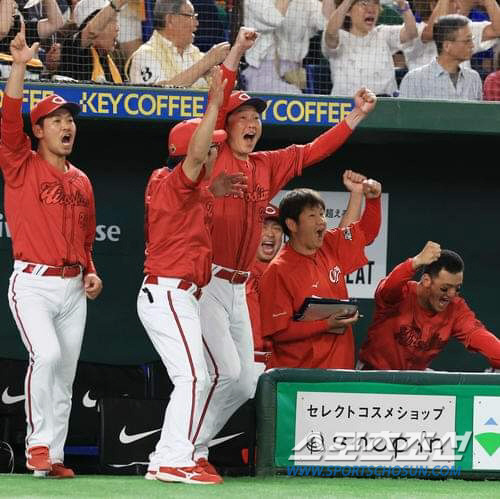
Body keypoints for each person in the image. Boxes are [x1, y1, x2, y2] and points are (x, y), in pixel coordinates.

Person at [189, 84, 378, 475]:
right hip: (206, 279)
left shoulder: (265, 165)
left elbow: (313, 151)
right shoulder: (212, 157)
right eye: (243, 117)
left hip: (236, 284)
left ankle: (192, 447)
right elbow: (190, 168)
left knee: (239, 382)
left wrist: (355, 115)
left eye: (257, 119)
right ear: (225, 126)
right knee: (206, 375)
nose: (252, 124)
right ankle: (185, 451)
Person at [142, 25, 258, 482]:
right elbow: (197, 156)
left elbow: (201, 189)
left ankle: (167, 458)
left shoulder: (191, 189)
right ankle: (173, 458)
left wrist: (216, 186)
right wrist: (222, 77)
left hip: (181, 294)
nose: (215, 154)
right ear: (190, 153)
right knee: (195, 377)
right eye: (209, 150)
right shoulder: (176, 180)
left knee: (211, 376)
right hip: (168, 292)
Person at [0, 24, 102, 477]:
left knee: (64, 375)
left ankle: (52, 458)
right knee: (47, 356)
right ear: (38, 129)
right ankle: (37, 445)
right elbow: (8, 122)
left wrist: (92, 270)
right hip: (34, 285)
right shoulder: (21, 163)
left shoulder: (81, 180)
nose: (67, 126)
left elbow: (85, 237)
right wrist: (19, 68)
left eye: (71, 120)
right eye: (57, 120)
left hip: (73, 287)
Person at [258, 177, 381, 369]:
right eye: (312, 216)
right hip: (299, 379)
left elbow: (367, 233)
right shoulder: (278, 270)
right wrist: (326, 324)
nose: (321, 222)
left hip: (340, 371)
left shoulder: (330, 244)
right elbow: (279, 333)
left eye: (322, 214)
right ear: (292, 225)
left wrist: (373, 200)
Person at [358, 241, 500, 370]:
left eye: (457, 288)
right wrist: (415, 262)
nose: (451, 295)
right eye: (445, 288)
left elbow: (477, 335)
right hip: (373, 376)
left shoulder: (456, 308)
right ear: (426, 281)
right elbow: (388, 287)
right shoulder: (400, 295)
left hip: (414, 383)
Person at [322, 0, 417, 96]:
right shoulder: (339, 38)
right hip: (349, 106)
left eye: (375, 3)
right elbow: (330, 32)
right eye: (364, 3)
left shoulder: (383, 33)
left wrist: (403, 4)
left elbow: (411, 33)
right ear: (348, 11)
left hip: (386, 105)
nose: (371, 9)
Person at [126, 0, 230, 87]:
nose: (196, 23)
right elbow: (157, 96)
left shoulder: (194, 53)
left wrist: (237, 51)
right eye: (191, 16)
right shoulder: (144, 55)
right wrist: (206, 62)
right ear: (171, 20)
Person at [242, 0, 334, 94]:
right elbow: (274, 19)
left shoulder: (307, 3)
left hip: (294, 74)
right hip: (263, 72)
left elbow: (324, 22)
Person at [399, 14, 483, 100]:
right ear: (447, 46)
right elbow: (405, 112)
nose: (472, 45)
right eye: (467, 41)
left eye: (471, 40)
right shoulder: (414, 79)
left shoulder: (473, 78)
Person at [404, 0, 499, 74]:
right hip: (427, 95)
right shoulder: (411, 31)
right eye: (452, 1)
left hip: (462, 94)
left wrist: (489, 1)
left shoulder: (463, 28)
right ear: (433, 6)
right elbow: (433, 32)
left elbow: (497, 30)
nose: (458, 6)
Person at [58, 0, 127, 82]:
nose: (117, 28)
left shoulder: (117, 57)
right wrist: (116, 4)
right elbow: (91, 32)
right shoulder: (72, 48)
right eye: (112, 21)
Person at [0, 0, 64, 79]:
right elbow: (2, 30)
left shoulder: (18, 28)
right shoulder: (3, 30)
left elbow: (55, 24)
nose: (15, 7)